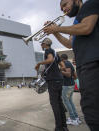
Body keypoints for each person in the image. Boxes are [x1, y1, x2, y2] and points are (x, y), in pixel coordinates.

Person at [43, 0, 99, 130]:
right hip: (84, 66)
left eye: (65, 4)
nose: (63, 9)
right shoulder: (75, 23)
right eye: (61, 7)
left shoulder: (89, 5)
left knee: (93, 112)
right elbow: (69, 44)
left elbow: (86, 27)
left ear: (77, 1)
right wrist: (55, 32)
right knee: (89, 109)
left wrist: (56, 28)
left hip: (93, 63)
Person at [35, 38, 68, 131]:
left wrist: (39, 63)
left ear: (45, 44)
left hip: (53, 80)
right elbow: (63, 66)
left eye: (42, 44)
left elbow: (50, 59)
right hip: (59, 79)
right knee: (59, 102)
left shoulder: (48, 51)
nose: (41, 45)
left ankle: (59, 127)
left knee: (55, 104)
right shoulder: (55, 53)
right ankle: (64, 126)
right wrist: (58, 71)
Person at [60, 54, 81, 126]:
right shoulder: (70, 64)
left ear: (62, 59)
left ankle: (73, 119)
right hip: (71, 85)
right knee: (70, 101)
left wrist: (60, 71)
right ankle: (76, 117)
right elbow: (75, 76)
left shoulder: (66, 63)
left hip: (67, 85)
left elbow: (68, 74)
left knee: (66, 101)